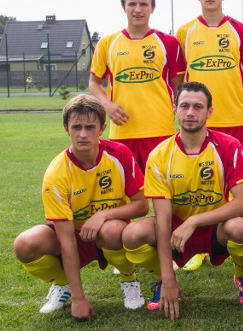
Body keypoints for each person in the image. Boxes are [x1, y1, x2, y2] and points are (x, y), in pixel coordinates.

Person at [122, 82, 243, 320]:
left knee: (240, 226)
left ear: (210, 111)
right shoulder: (160, 155)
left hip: (215, 228)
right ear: (174, 108)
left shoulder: (229, 146)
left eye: (198, 107)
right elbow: (163, 221)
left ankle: (242, 275)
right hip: (175, 231)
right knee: (132, 234)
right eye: (184, 106)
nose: (190, 113)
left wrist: (194, 220)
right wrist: (168, 278)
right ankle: (159, 281)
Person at [13, 94, 148, 321]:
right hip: (73, 233)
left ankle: (129, 279)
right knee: (25, 244)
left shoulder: (119, 154)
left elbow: (142, 205)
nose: (83, 134)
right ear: (66, 128)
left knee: (112, 229)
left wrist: (103, 215)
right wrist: (79, 298)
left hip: (109, 233)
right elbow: (66, 239)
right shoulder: (56, 173)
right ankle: (62, 285)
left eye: (89, 127)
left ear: (103, 128)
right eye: (76, 127)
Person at [89, 0, 185, 170]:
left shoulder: (169, 43)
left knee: (162, 190)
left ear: (152, 8)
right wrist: (107, 105)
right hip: (123, 130)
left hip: (160, 129)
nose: (138, 10)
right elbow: (94, 82)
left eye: (144, 4)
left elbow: (178, 84)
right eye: (132, 4)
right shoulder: (107, 43)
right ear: (124, 7)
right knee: (126, 192)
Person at [176, 0, 243, 156]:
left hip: (233, 118)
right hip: (198, 120)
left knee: (236, 178)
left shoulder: (241, 30)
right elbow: (178, 77)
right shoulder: (184, 32)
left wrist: (238, 93)